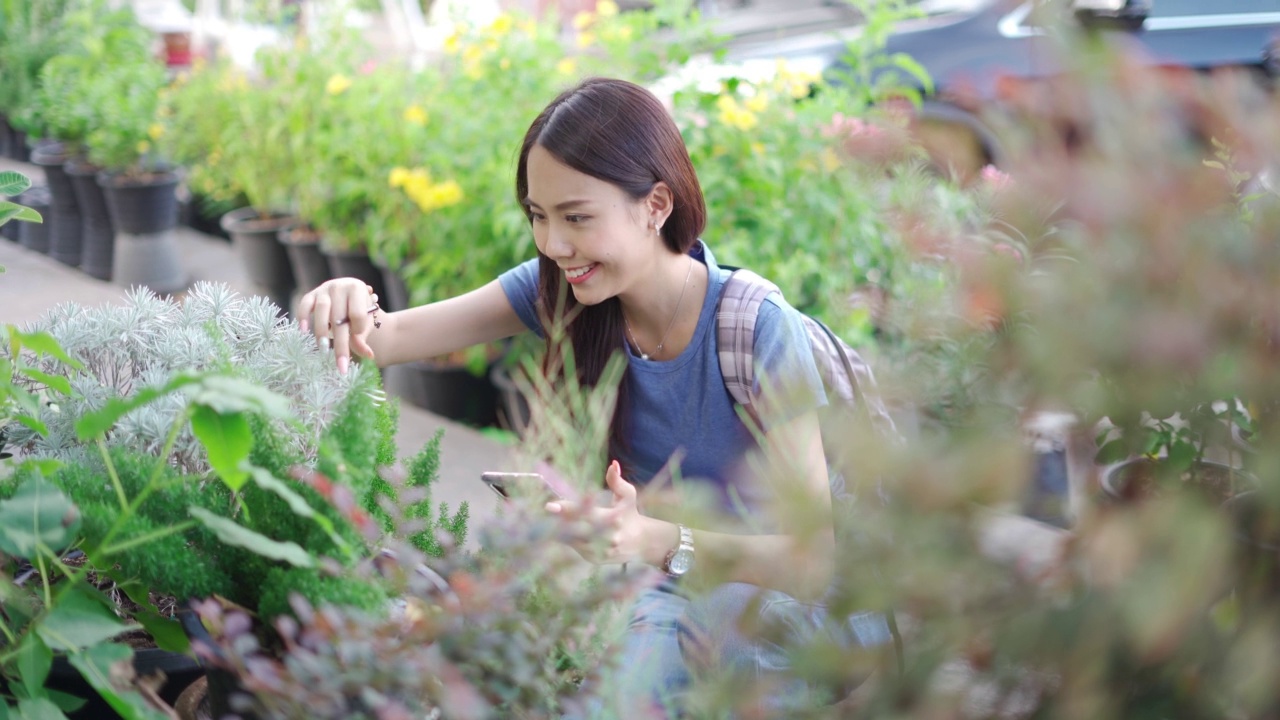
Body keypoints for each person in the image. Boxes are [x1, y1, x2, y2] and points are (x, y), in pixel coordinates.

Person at [298, 76, 890, 716]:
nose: (554, 244)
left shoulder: (756, 329)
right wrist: (347, 297)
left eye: (577, 217)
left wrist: (653, 539)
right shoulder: (563, 290)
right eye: (538, 216)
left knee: (719, 639)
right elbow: (384, 340)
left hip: (813, 609)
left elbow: (810, 565)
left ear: (656, 204)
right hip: (685, 591)